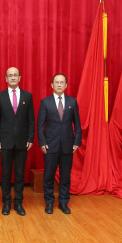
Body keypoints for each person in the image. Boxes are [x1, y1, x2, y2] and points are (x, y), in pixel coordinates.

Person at [37, 73, 81, 214]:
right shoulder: (45, 102)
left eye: (62, 82)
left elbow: (77, 124)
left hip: (68, 145)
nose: (59, 85)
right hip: (50, 145)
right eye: (57, 82)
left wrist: (77, 141)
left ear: (66, 85)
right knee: (48, 176)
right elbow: (40, 125)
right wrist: (42, 142)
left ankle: (63, 202)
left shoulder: (72, 102)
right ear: (52, 85)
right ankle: (49, 203)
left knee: (65, 176)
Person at [0, 67, 35, 216]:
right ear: (6, 78)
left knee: (19, 174)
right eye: (10, 75)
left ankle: (18, 203)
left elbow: (31, 120)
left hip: (22, 142)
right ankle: (6, 202)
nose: (12, 77)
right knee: (5, 174)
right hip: (5, 142)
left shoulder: (27, 96)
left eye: (15, 75)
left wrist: (30, 138)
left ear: (19, 78)